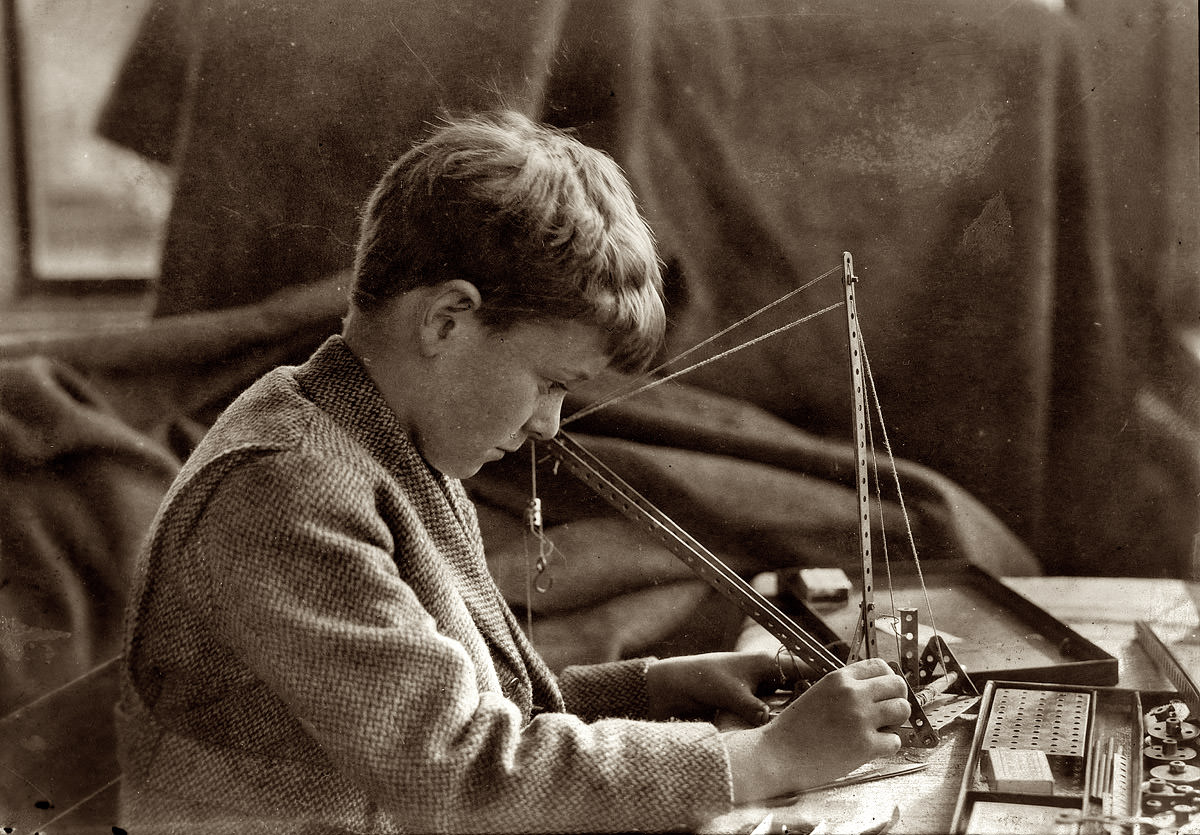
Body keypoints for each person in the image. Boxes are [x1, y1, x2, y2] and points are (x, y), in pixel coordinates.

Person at [116, 110, 911, 833]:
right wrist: (763, 757)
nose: (549, 423)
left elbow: (468, 704)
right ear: (446, 320)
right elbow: (457, 773)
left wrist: (654, 686)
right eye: (549, 382)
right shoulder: (289, 487)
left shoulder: (383, 446)